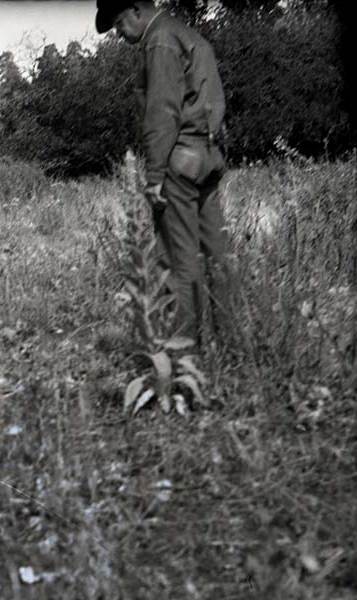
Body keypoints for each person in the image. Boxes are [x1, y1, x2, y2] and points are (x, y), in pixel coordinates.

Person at [96, 0, 231, 347]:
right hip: (209, 156)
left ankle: (182, 356)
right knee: (218, 256)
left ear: (136, 10)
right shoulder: (189, 35)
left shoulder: (158, 41)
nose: (119, 33)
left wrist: (154, 178)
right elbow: (213, 101)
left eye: (119, 23)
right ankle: (233, 344)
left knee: (177, 263)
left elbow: (161, 115)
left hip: (179, 163)